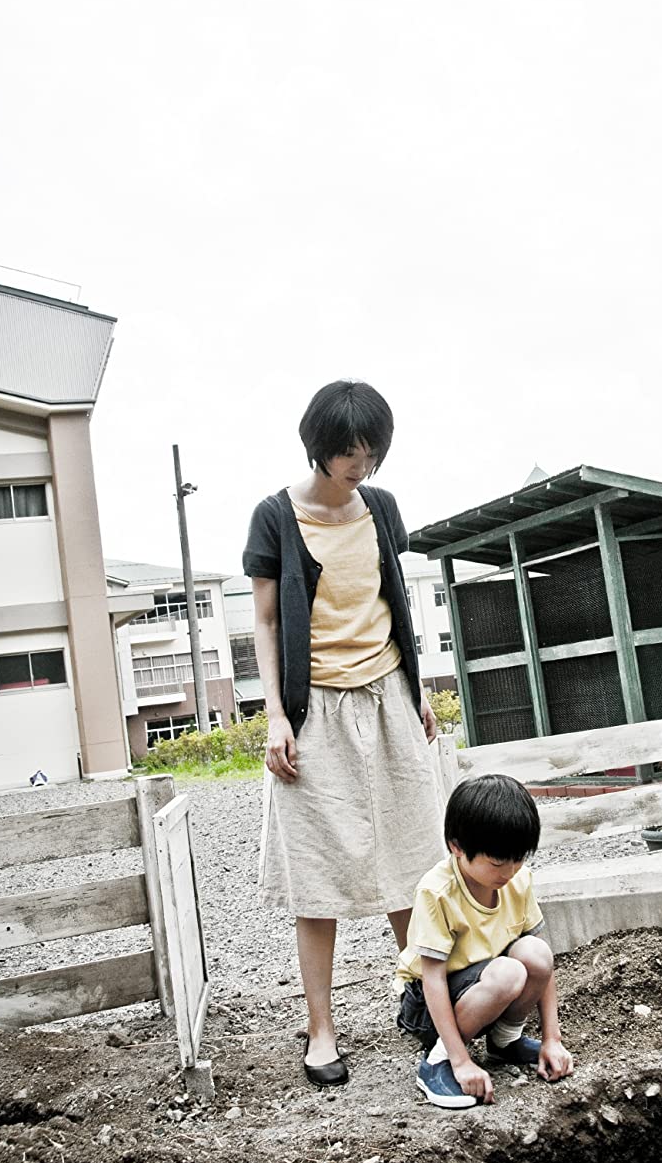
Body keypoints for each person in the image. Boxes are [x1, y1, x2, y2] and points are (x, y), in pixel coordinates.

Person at [243, 380, 443, 1088]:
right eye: (347, 452)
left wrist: (416, 694)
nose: (360, 465)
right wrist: (274, 714)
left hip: (389, 694)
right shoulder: (275, 517)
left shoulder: (383, 509)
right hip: (314, 707)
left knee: (412, 860)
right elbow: (266, 623)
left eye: (371, 452)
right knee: (318, 876)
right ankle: (322, 1028)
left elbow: (395, 604)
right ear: (319, 448)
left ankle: (427, 1008)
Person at [394, 773, 575, 1109]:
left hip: (486, 982)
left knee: (535, 953)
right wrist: (462, 1060)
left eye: (519, 859)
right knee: (509, 973)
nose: (508, 872)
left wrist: (552, 1038)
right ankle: (439, 1061)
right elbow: (432, 978)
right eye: (496, 862)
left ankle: (504, 1041)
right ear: (457, 847)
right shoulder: (437, 892)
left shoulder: (517, 880)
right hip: (429, 1005)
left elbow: (543, 966)